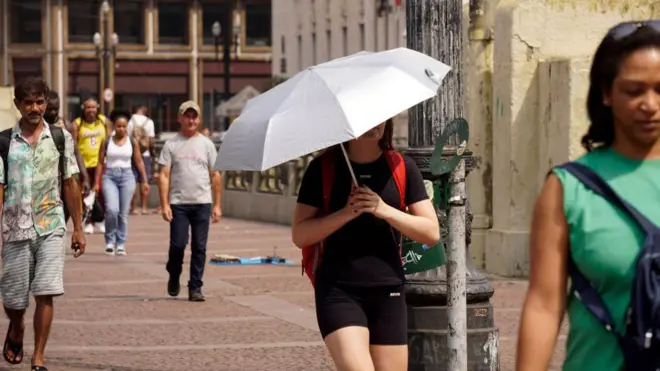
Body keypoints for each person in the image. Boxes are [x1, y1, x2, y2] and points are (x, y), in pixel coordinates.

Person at [516, 21, 660, 371]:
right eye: (633, 90)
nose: (650, 104)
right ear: (606, 94)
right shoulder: (569, 188)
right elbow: (544, 305)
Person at [292, 119, 439, 371]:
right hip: (339, 291)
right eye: (366, 118)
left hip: (388, 289)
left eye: (380, 116)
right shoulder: (323, 168)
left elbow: (431, 232)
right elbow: (300, 234)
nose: (375, 123)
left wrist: (383, 209)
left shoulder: (402, 166)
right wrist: (347, 213)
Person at [0, 77, 86, 370]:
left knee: (46, 291)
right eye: (28, 102)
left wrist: (78, 228)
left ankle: (38, 356)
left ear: (46, 102)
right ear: (18, 105)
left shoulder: (61, 138)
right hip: (14, 228)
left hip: (51, 225)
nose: (34, 108)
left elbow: (70, 182)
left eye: (39, 102)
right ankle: (16, 327)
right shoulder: (3, 142)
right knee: (13, 300)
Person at [158, 100, 222, 302]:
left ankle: (195, 287)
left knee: (199, 247)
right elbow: (164, 176)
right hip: (179, 203)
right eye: (187, 115)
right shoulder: (171, 145)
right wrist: (164, 204)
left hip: (202, 202)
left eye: (194, 116)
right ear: (180, 118)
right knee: (178, 245)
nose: (191, 119)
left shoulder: (207, 144)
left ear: (199, 119)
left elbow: (216, 175)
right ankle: (174, 274)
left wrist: (218, 205)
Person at [94, 108, 150, 256]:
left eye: (124, 126)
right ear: (113, 126)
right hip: (110, 176)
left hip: (127, 177)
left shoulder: (132, 142)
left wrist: (144, 180)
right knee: (112, 210)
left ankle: (120, 243)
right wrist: (96, 182)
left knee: (123, 214)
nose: (121, 129)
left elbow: (138, 161)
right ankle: (109, 241)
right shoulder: (106, 141)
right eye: (118, 126)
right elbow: (100, 162)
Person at [73, 96, 112, 234]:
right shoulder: (77, 124)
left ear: (97, 108)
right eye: (88, 107)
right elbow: (73, 144)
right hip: (84, 164)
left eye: (93, 107)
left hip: (100, 163)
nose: (91, 110)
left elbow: (109, 141)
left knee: (100, 192)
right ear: (83, 108)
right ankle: (88, 221)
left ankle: (100, 219)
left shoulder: (104, 121)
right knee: (85, 193)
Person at [43, 90, 91, 202]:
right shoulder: (38, 125)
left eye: (56, 109)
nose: (53, 112)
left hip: (65, 176)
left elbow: (76, 151)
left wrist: (85, 177)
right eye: (49, 109)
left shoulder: (66, 125)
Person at [127, 105, 155, 215]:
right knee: (144, 180)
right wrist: (152, 151)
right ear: (144, 110)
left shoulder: (130, 121)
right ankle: (144, 207)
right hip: (145, 154)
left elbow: (128, 138)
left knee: (132, 180)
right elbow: (151, 140)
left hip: (132, 153)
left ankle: (133, 208)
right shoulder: (149, 122)